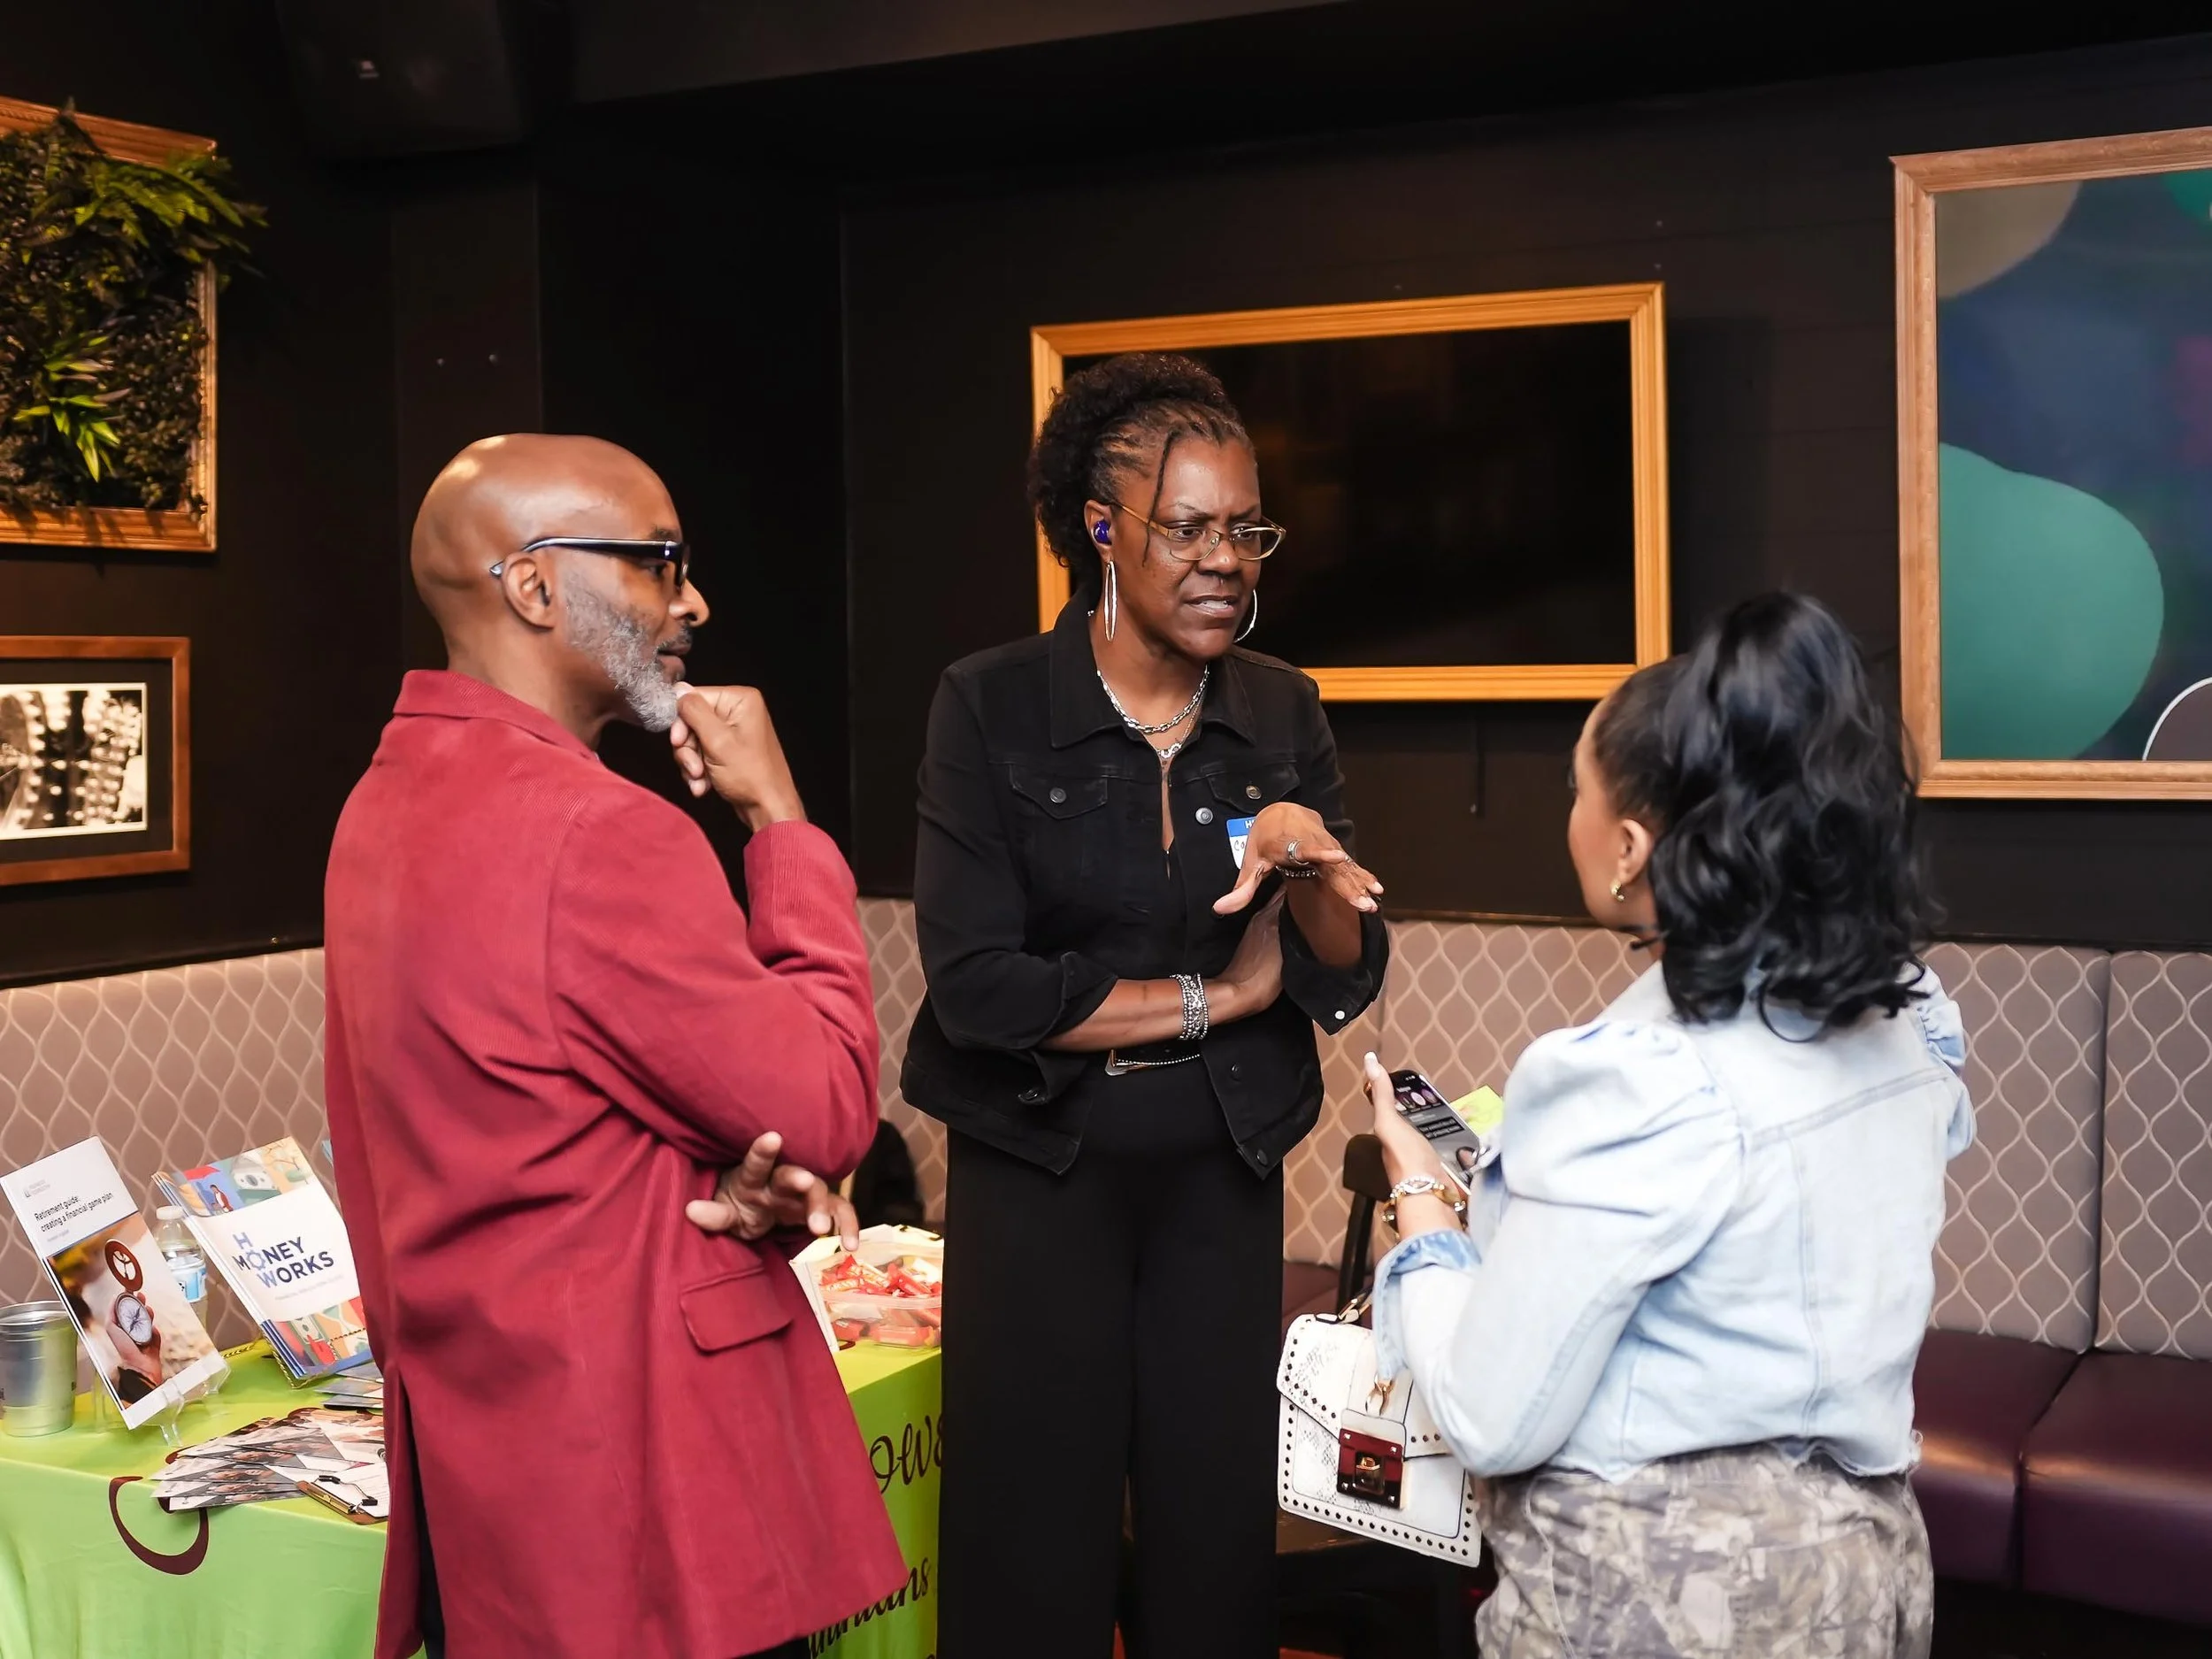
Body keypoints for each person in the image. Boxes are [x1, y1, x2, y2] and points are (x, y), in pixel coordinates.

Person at [323, 434, 906, 1659]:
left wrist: (718, 1176)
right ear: (535, 585)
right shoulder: (600, 831)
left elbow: (534, 1113)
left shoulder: (384, 795)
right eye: (656, 560)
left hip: (491, 1496)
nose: (691, 600)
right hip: (642, 1506)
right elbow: (831, 1102)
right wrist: (777, 816)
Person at [1366, 593, 1971, 1658]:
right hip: (1864, 1584)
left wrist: (1424, 1219)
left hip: (1660, 1603)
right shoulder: (1908, 1010)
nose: (1570, 813)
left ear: (1628, 849)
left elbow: (1493, 1415)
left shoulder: (1636, 1080)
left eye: (1574, 790)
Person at [906, 353, 1390, 1659]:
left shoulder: (1280, 705)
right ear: (1103, 528)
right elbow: (981, 987)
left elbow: (1341, 962)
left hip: (1217, 1181)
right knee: (1030, 1557)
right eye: (1188, 527)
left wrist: (1305, 862)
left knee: (1210, 1553)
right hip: (1039, 1177)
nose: (1225, 558)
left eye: (1247, 527)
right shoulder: (992, 701)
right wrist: (1210, 996)